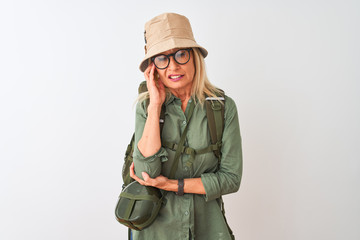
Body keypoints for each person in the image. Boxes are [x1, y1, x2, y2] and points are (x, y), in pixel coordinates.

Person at [129, 12, 243, 240]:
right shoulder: (147, 108)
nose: (173, 66)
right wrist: (155, 106)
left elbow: (231, 179)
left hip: (208, 230)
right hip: (154, 232)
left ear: (194, 57)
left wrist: (172, 184)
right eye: (162, 58)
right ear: (153, 67)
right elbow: (145, 173)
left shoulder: (222, 107)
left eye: (181, 54)